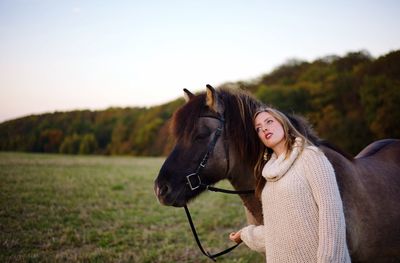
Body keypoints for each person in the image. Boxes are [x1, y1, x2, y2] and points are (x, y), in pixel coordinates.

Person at [229, 107, 351, 262]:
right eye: (258, 128)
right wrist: (245, 235)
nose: (264, 128)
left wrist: (328, 259)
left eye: (269, 121)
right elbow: (277, 234)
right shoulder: (268, 175)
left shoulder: (310, 157)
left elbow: (332, 214)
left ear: (284, 124)